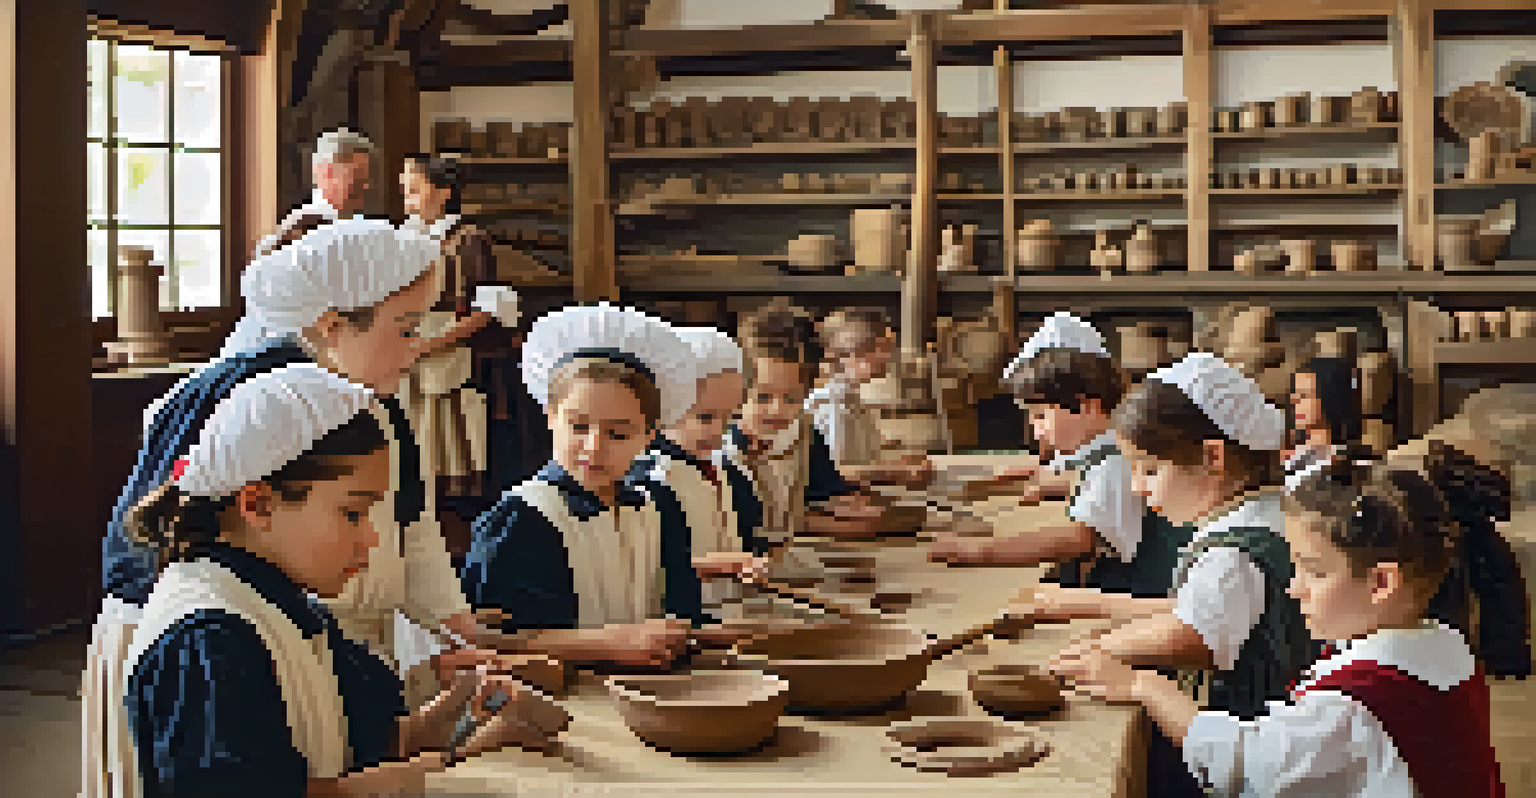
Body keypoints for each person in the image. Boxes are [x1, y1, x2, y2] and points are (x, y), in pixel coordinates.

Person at [83, 218, 492, 798]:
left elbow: (411, 526)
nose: (417, 348)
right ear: (332, 328)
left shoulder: (365, 410)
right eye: (404, 330)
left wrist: (456, 631)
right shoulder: (256, 409)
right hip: (219, 663)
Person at [100, 364, 566, 798]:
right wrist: (457, 763)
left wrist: (457, 709)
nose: (372, 538)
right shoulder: (207, 640)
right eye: (352, 513)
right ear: (258, 505)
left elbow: (369, 743)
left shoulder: (284, 603)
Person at [1057, 442, 1507, 798]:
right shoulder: (1448, 645)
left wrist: (1146, 686)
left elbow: (1244, 765)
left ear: (1381, 583)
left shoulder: (1352, 707)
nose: (1294, 588)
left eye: (1314, 571)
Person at [1005, 352, 1310, 798]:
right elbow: (1195, 611)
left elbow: (1189, 636)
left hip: (1236, 743)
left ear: (1212, 458)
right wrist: (1073, 605)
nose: (1137, 487)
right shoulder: (1259, 514)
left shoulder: (1233, 551)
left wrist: (1096, 652)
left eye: (1150, 470)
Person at [460, 304, 723, 668]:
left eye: (617, 433)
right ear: (551, 416)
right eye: (579, 427)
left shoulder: (656, 506)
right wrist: (605, 645)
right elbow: (490, 639)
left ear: (649, 435)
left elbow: (681, 607)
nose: (594, 447)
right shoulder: (522, 518)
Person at [931, 312, 1197, 601]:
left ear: (1086, 406)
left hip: (1140, 596)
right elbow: (1079, 476)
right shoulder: (1107, 449)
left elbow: (1078, 539)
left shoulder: (1114, 462)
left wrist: (980, 550)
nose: (1036, 430)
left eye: (1041, 416)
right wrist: (1057, 478)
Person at [398, 153, 511, 504]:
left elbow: (487, 310)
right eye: (405, 192)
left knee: (451, 447)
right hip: (410, 357)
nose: (407, 199)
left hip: (451, 358)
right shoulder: (404, 237)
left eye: (415, 190)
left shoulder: (468, 239)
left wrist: (432, 341)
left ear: (444, 191)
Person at [626, 326, 765, 605]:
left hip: (732, 612)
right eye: (704, 417)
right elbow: (645, 568)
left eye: (728, 419)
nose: (718, 431)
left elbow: (750, 540)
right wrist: (715, 565)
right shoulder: (646, 481)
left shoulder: (732, 475)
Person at [718, 302, 867, 555]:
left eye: (792, 399)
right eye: (763, 397)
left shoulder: (805, 434)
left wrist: (850, 506)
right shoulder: (723, 450)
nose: (777, 410)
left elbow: (826, 493)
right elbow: (750, 529)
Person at [254, 128, 374, 260]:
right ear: (327, 172)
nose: (365, 185)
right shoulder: (297, 232)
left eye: (366, 177)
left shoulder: (365, 231)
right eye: (357, 176)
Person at [1284, 357, 1363, 492]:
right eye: (1294, 394)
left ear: (1330, 398)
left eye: (1304, 395)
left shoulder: (1338, 461)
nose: (1294, 401)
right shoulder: (1288, 451)